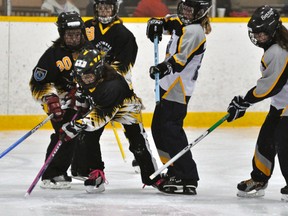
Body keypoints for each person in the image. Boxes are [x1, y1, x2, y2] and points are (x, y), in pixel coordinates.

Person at [60, 48, 162, 193]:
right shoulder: (85, 75)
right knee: (87, 137)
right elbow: (84, 91)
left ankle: (153, 177)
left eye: (88, 77)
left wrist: (78, 124)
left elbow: (101, 116)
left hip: (125, 109)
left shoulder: (113, 86)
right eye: (82, 77)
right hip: (101, 105)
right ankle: (96, 172)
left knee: (138, 144)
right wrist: (77, 100)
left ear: (98, 71)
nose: (84, 80)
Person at [146, 0, 212, 195]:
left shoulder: (195, 32)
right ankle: (174, 169)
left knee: (170, 130)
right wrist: (156, 24)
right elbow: (167, 22)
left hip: (179, 89)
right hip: (168, 85)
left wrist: (162, 67)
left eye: (190, 11)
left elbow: (180, 60)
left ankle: (187, 176)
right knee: (158, 128)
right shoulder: (182, 22)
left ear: (199, 13)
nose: (185, 13)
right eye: (184, 8)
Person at [71, 0, 141, 179]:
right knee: (89, 129)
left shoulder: (124, 35)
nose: (103, 12)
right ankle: (87, 169)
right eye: (100, 8)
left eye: (107, 8)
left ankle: (144, 163)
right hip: (91, 87)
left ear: (115, 9)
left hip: (117, 90)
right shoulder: (88, 28)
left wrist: (103, 81)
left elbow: (123, 66)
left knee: (134, 131)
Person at [226, 5, 288, 201]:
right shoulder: (276, 46)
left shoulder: (278, 52)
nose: (258, 37)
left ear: (272, 30)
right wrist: (244, 102)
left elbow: (271, 87)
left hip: (285, 105)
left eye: (262, 34)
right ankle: (259, 179)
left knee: (283, 144)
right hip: (281, 104)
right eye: (256, 34)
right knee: (265, 141)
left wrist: (244, 102)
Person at [29, 11, 92, 189]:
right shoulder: (52, 55)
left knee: (85, 134)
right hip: (61, 103)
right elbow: (37, 83)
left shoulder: (91, 51)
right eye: (69, 35)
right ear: (61, 34)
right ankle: (52, 173)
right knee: (65, 133)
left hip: (85, 100)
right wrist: (51, 98)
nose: (74, 38)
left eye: (77, 34)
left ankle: (80, 168)